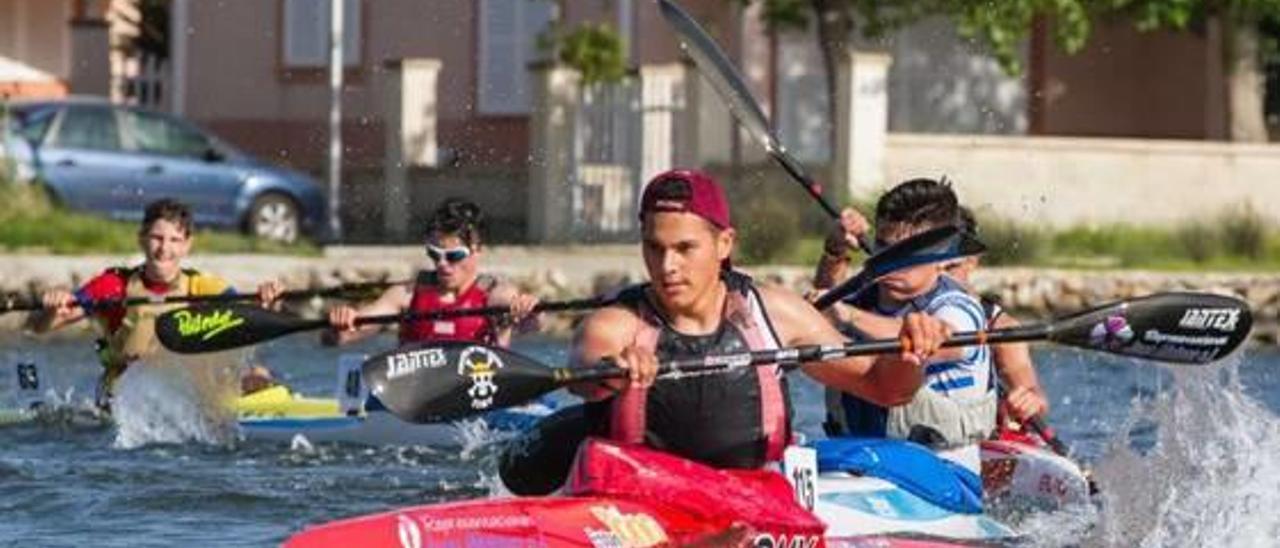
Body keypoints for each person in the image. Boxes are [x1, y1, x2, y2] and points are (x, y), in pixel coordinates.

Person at [499, 169, 949, 494]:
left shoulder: (773, 312)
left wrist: (910, 356)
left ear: (724, 244)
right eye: (654, 249)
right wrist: (612, 373)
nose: (667, 266)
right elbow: (587, 368)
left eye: (684, 248)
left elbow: (881, 387)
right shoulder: (620, 322)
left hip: (754, 499)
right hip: (637, 502)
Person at [814, 178, 994, 474]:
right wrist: (835, 253)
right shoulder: (860, 300)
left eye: (906, 254)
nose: (892, 263)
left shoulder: (959, 310)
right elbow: (814, 319)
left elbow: (917, 339)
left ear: (943, 257)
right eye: (884, 247)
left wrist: (846, 315)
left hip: (944, 475)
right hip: (855, 462)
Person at [29, 198, 274, 409]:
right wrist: (53, 309)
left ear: (187, 245)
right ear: (142, 239)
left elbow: (247, 316)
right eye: (157, 238)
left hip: (183, 393)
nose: (164, 249)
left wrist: (266, 300)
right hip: (126, 398)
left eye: (175, 240)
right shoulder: (113, 286)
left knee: (258, 374)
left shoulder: (201, 286)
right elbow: (40, 327)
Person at [304, 198, 540, 347]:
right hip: (416, 402)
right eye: (435, 254)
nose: (442, 264)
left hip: (480, 401)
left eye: (454, 256)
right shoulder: (405, 295)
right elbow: (337, 340)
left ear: (477, 251)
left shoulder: (494, 294)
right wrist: (339, 326)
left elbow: (534, 324)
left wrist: (528, 310)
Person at [945, 206, 1050, 429]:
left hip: (978, 439)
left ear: (972, 261)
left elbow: (1028, 386)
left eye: (951, 268)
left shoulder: (1001, 327)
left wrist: (1028, 400)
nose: (941, 279)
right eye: (933, 268)